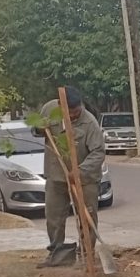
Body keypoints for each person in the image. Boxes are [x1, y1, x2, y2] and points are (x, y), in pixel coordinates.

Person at [34, 87, 105, 267]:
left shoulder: (89, 123)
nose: (73, 116)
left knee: (86, 216)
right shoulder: (49, 110)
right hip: (56, 175)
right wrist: (39, 129)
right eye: (69, 112)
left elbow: (98, 152)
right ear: (60, 106)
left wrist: (79, 172)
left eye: (76, 111)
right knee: (53, 216)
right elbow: (37, 130)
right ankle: (57, 254)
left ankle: (85, 255)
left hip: (85, 179)